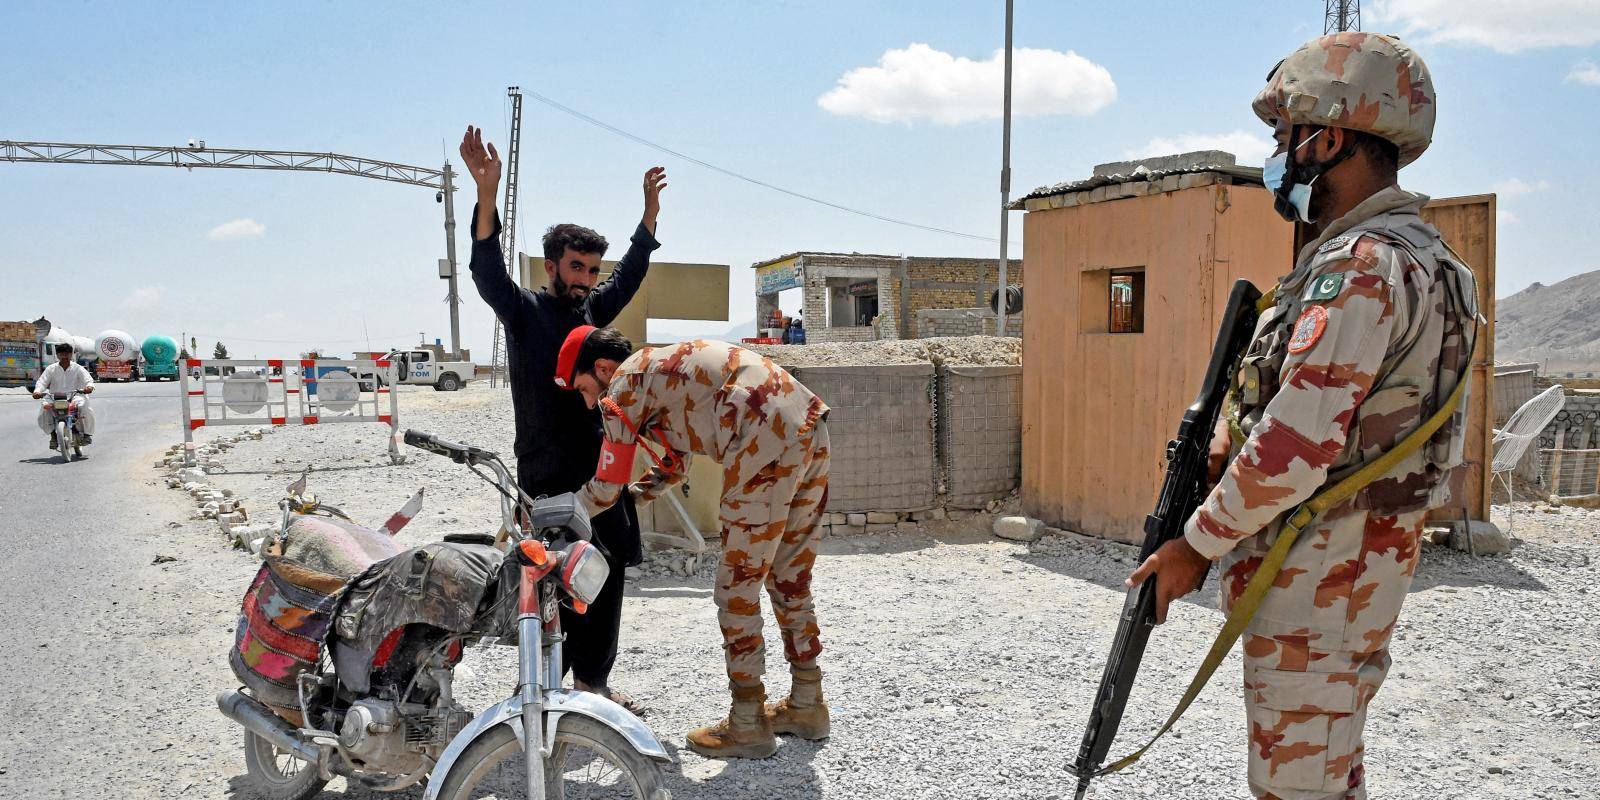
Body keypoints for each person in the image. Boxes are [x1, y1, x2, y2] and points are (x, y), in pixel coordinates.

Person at [1126, 32, 1479, 800]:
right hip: (1349, 577)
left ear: (1329, 139)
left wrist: (1193, 546)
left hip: (1318, 583)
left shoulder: (1361, 265)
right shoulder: (1430, 261)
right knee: (1326, 777)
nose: (1276, 157)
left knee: (1298, 787)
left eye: (1284, 136)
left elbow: (1295, 445)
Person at [458, 124, 667, 711]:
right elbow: (487, 273)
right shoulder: (524, 313)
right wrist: (486, 195)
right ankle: (542, 689)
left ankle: (593, 685)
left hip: (601, 471)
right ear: (552, 266)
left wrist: (649, 218)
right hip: (547, 472)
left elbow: (630, 275)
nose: (586, 280)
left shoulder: (594, 311)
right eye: (577, 268)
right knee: (553, 581)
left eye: (593, 270)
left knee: (608, 574)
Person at [557, 327, 831, 760]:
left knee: (736, 587)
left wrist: (558, 512)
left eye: (583, 389)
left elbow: (605, 487)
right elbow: (674, 464)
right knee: (789, 577)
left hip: (763, 439)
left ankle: (747, 723)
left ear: (603, 369)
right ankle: (807, 703)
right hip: (807, 424)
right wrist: (635, 497)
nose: (589, 403)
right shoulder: (659, 371)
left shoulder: (623, 386)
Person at [34, 342, 96, 447]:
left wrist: (89, 387)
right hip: (55, 396)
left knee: (84, 407)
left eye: (67, 353)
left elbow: (88, 380)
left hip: (75, 395)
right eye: (62, 354)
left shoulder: (78, 368)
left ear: (71, 355)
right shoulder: (51, 369)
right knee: (44, 408)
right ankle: (53, 436)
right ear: (57, 355)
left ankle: (87, 434)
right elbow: (42, 382)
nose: (65, 356)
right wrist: (37, 391)